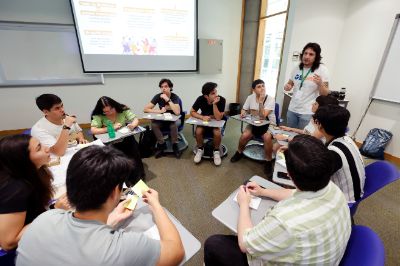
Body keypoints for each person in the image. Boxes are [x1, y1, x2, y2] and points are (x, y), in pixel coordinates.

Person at [16, 145, 185, 266]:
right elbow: (176, 251)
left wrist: (110, 219)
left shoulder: (42, 220)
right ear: (114, 193)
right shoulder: (124, 248)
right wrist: (156, 205)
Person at [204, 135, 351, 265]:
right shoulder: (333, 189)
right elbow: (295, 193)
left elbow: (244, 243)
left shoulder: (284, 222)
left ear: (289, 175)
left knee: (214, 244)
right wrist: (263, 191)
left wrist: (244, 204)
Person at [0, 135, 70, 252]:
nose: (47, 148)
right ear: (23, 160)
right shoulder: (14, 189)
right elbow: (8, 243)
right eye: (39, 148)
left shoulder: (36, 172)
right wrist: (54, 211)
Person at [313, 104, 366, 202]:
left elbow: (315, 178)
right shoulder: (347, 139)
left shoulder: (334, 153)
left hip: (344, 202)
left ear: (319, 125)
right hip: (353, 193)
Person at [90, 96, 145, 184]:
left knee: (134, 153)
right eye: (105, 112)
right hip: (110, 140)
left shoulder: (122, 109)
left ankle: (137, 177)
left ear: (114, 106)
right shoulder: (98, 114)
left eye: (111, 110)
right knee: (115, 159)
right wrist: (110, 128)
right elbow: (93, 130)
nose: (109, 113)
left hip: (124, 137)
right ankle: (121, 181)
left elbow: (135, 119)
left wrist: (133, 125)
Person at [230, 79, 276, 177]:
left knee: (267, 138)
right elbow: (244, 109)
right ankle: (239, 152)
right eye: (259, 87)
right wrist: (243, 112)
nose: (262, 88)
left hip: (269, 124)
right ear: (254, 90)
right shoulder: (250, 97)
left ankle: (268, 161)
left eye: (263, 86)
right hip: (254, 123)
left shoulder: (270, 99)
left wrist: (260, 102)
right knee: (244, 135)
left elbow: (263, 116)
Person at [284, 43, 330, 129]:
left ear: (316, 57)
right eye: (305, 53)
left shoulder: (322, 70)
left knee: (304, 139)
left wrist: (320, 84)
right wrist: (287, 86)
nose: (307, 56)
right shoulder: (297, 67)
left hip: (308, 112)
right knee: (290, 134)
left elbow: (325, 94)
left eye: (311, 54)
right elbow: (289, 83)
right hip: (292, 109)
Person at [143, 78, 182, 159]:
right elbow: (146, 109)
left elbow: (177, 112)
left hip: (174, 120)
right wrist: (159, 111)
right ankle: (162, 144)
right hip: (162, 119)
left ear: (170, 87)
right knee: (154, 125)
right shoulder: (158, 96)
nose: (163, 88)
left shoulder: (174, 97)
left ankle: (175, 145)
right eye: (161, 87)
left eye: (166, 86)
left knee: (173, 125)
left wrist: (168, 99)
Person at [190, 82, 226, 166]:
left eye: (216, 92)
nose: (216, 95)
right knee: (198, 131)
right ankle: (200, 149)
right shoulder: (200, 99)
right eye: (213, 93)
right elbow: (192, 112)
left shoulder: (222, 100)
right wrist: (202, 117)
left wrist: (214, 104)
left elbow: (218, 118)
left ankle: (216, 151)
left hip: (216, 122)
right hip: (205, 121)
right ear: (206, 96)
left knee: (217, 133)